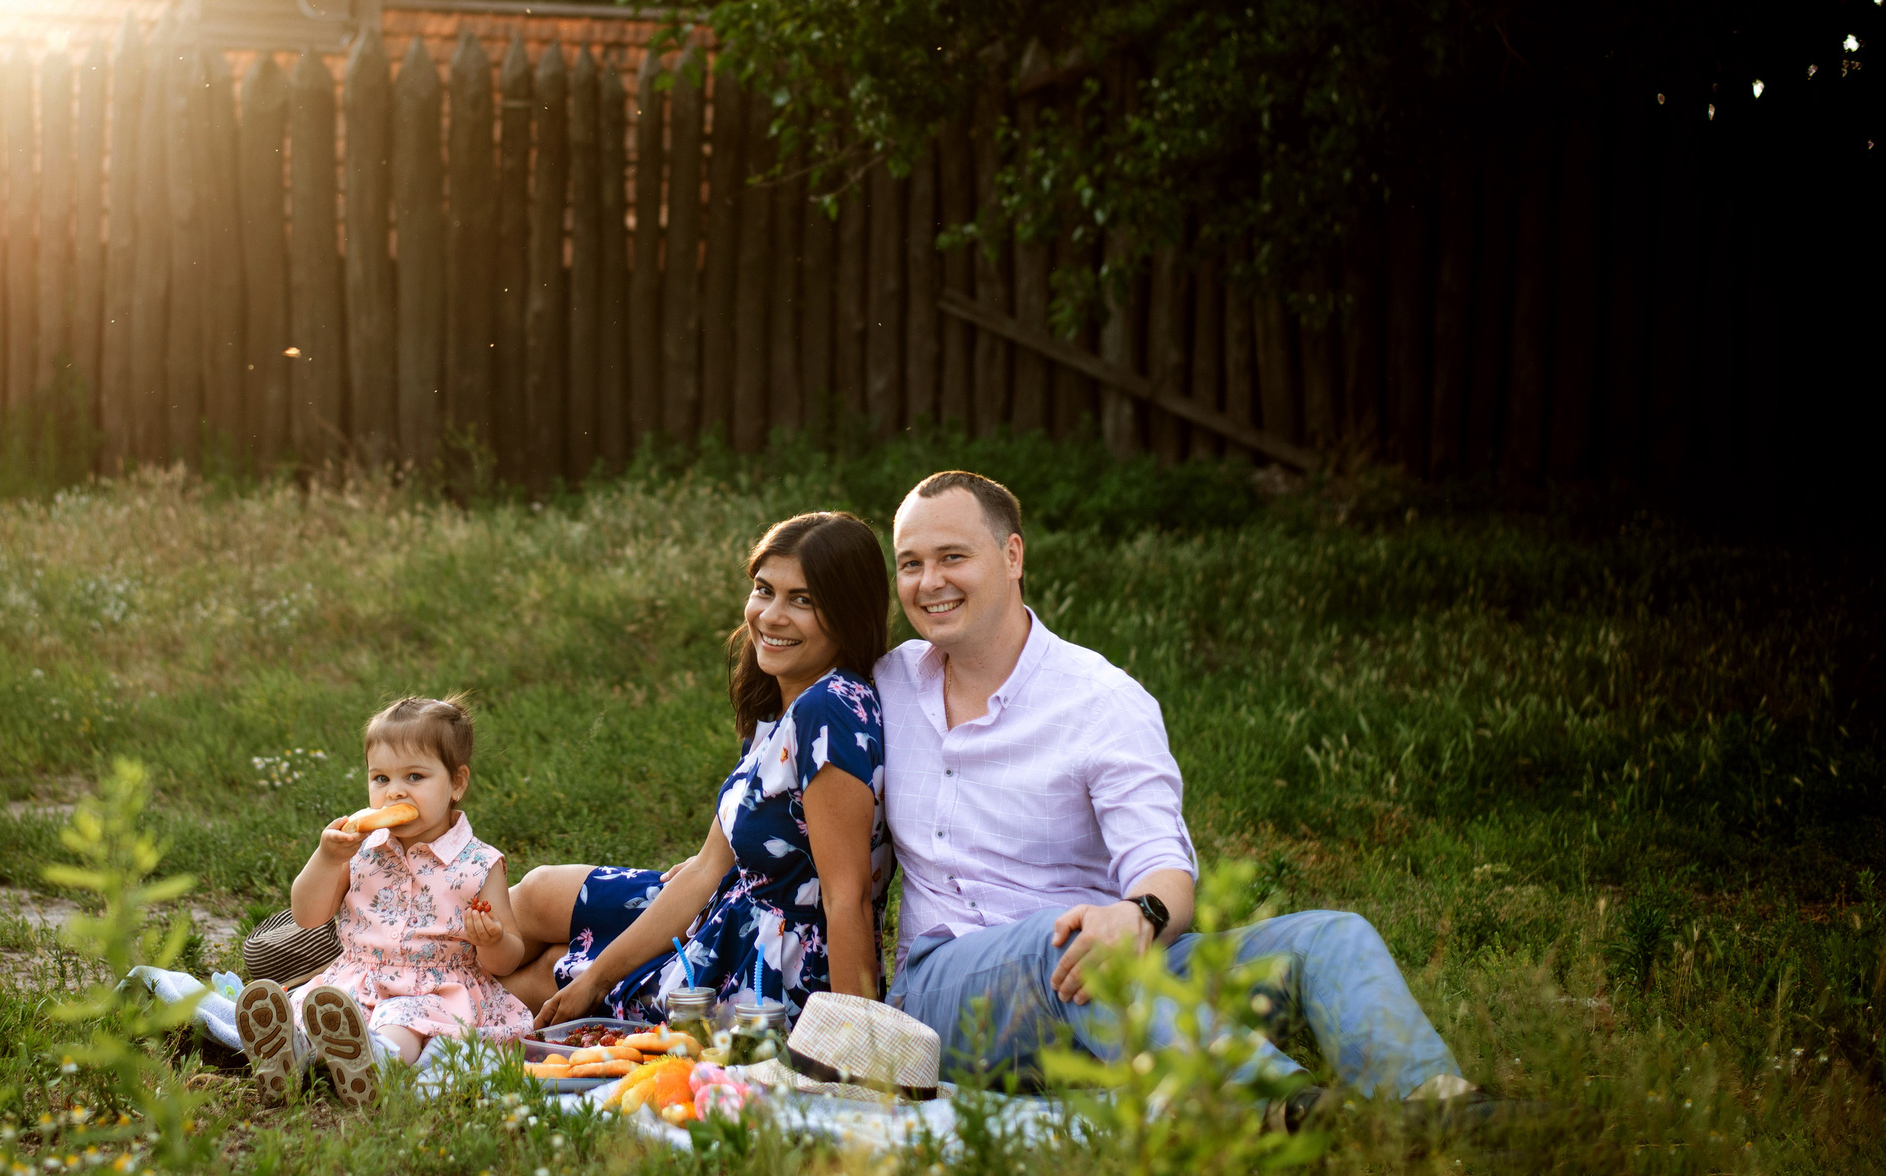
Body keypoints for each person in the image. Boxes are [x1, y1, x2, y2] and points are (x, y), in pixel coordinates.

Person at [881, 470, 1478, 1119]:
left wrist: (1136, 916)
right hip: (944, 993)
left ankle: (1435, 1108)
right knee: (1073, 947)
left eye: (952, 557)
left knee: (1329, 935)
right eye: (910, 563)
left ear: (1013, 555)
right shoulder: (885, 683)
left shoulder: (1100, 700)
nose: (928, 581)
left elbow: (1163, 868)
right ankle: (1286, 1110)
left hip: (1102, 969)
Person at [508, 512, 894, 1027]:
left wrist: (852, 1049)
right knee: (537, 894)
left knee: (548, 971)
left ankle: (402, 1012)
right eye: (764, 590)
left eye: (803, 600)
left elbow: (848, 901)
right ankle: (392, 957)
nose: (771, 616)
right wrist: (597, 976)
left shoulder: (830, 712)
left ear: (847, 614)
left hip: (771, 970)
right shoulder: (785, 706)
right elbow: (707, 867)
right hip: (732, 906)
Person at [231, 695, 535, 1105]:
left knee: (402, 1023)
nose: (395, 793)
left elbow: (507, 960)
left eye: (414, 777)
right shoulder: (359, 848)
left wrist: (492, 939)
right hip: (357, 979)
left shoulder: (479, 863)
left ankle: (375, 1064)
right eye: (381, 779)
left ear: (457, 784)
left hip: (434, 992)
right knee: (315, 1011)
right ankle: (291, 1056)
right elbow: (307, 915)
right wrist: (326, 858)